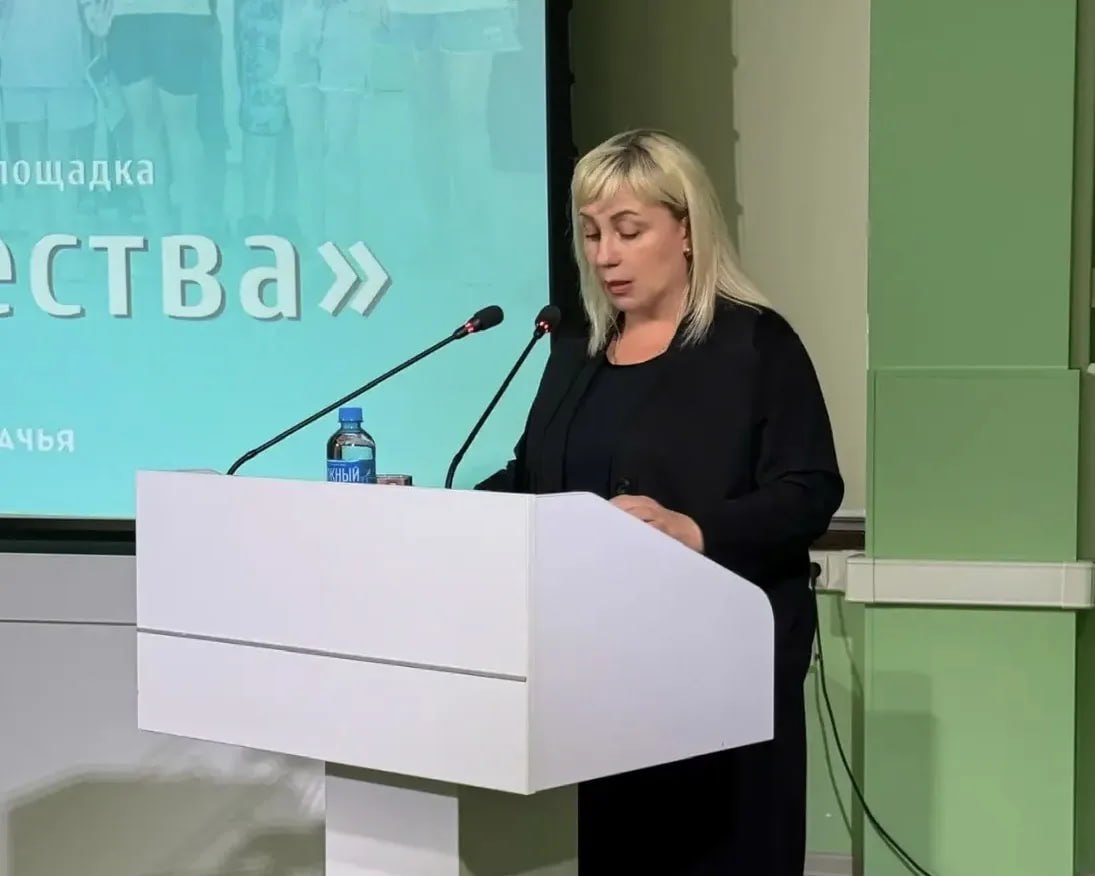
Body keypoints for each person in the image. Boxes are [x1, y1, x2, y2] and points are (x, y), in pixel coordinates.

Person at [476, 128, 844, 875]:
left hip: (728, 680)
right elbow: (532, 476)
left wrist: (695, 529)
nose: (604, 255)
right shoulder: (576, 350)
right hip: (606, 675)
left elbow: (809, 489)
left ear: (686, 231)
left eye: (628, 230)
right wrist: (441, 513)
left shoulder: (753, 345)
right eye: (591, 234)